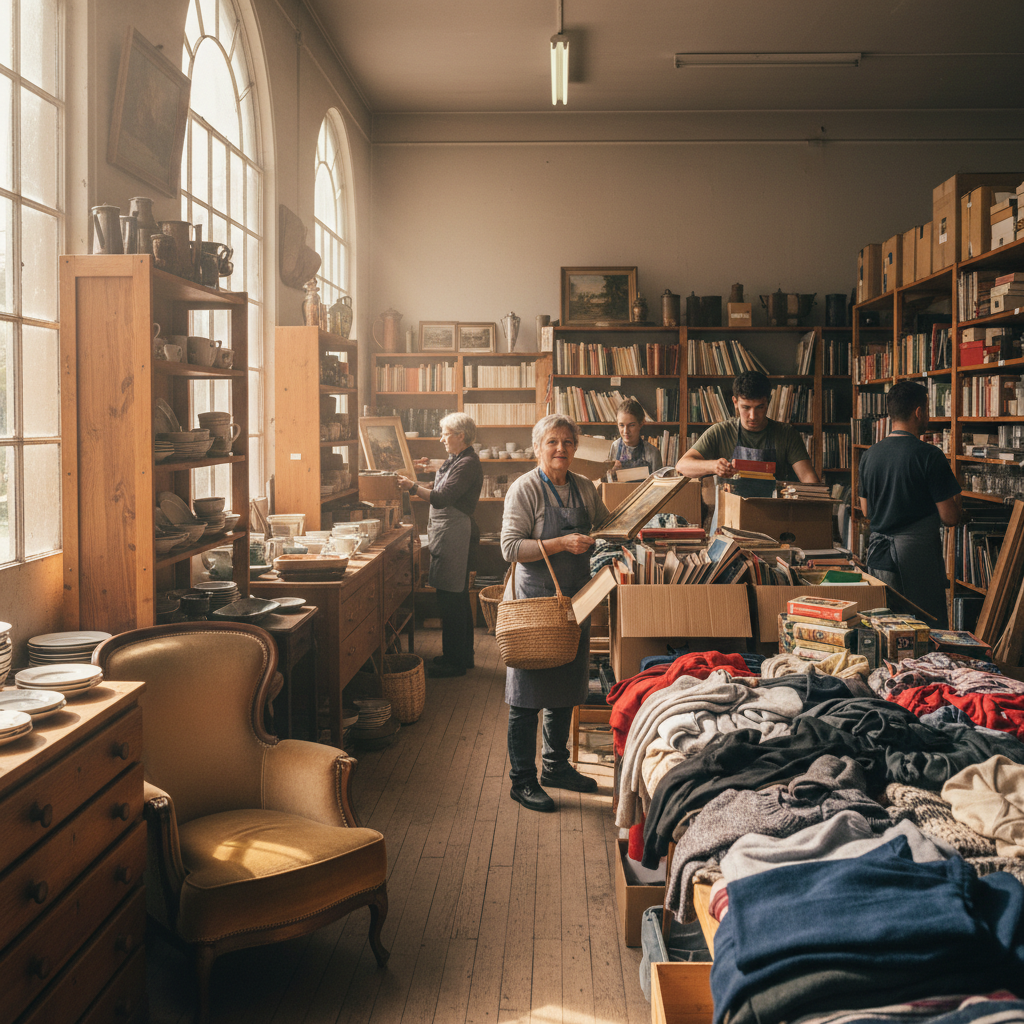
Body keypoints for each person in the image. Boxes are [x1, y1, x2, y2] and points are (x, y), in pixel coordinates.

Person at [500, 413, 610, 812]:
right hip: (536, 602)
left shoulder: (584, 487)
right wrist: (562, 543)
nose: (560, 449)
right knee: (527, 694)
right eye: (552, 442)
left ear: (576, 448)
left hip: (575, 600)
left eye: (567, 442)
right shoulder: (524, 489)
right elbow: (510, 548)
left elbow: (605, 524)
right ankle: (522, 780)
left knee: (566, 685)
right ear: (537, 448)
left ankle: (555, 767)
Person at [858, 380, 961, 628]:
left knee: (887, 630)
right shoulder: (929, 455)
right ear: (919, 411)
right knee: (926, 632)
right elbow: (950, 517)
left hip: (878, 558)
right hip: (917, 560)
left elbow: (866, 511)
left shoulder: (869, 455)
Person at [398, 412, 482, 678]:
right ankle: (462, 656)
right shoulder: (457, 459)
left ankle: (454, 662)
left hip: (455, 533)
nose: (441, 438)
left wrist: (412, 486)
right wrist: (420, 479)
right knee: (454, 597)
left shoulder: (467, 463)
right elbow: (437, 485)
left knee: (451, 599)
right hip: (449, 532)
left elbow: (441, 497)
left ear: (460, 436)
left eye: (445, 433)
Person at [675, 369, 821, 484]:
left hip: (773, 515)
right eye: (746, 407)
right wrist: (713, 466)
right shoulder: (720, 431)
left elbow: (809, 477)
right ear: (735, 402)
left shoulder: (786, 434)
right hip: (728, 518)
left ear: (768, 402)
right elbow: (682, 466)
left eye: (759, 407)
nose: (752, 416)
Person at [609, 398, 663, 474]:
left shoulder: (653, 453)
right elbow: (607, 482)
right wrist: (611, 472)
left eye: (631, 425)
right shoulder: (614, 447)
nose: (626, 431)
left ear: (641, 424)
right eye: (621, 425)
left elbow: (658, 484)